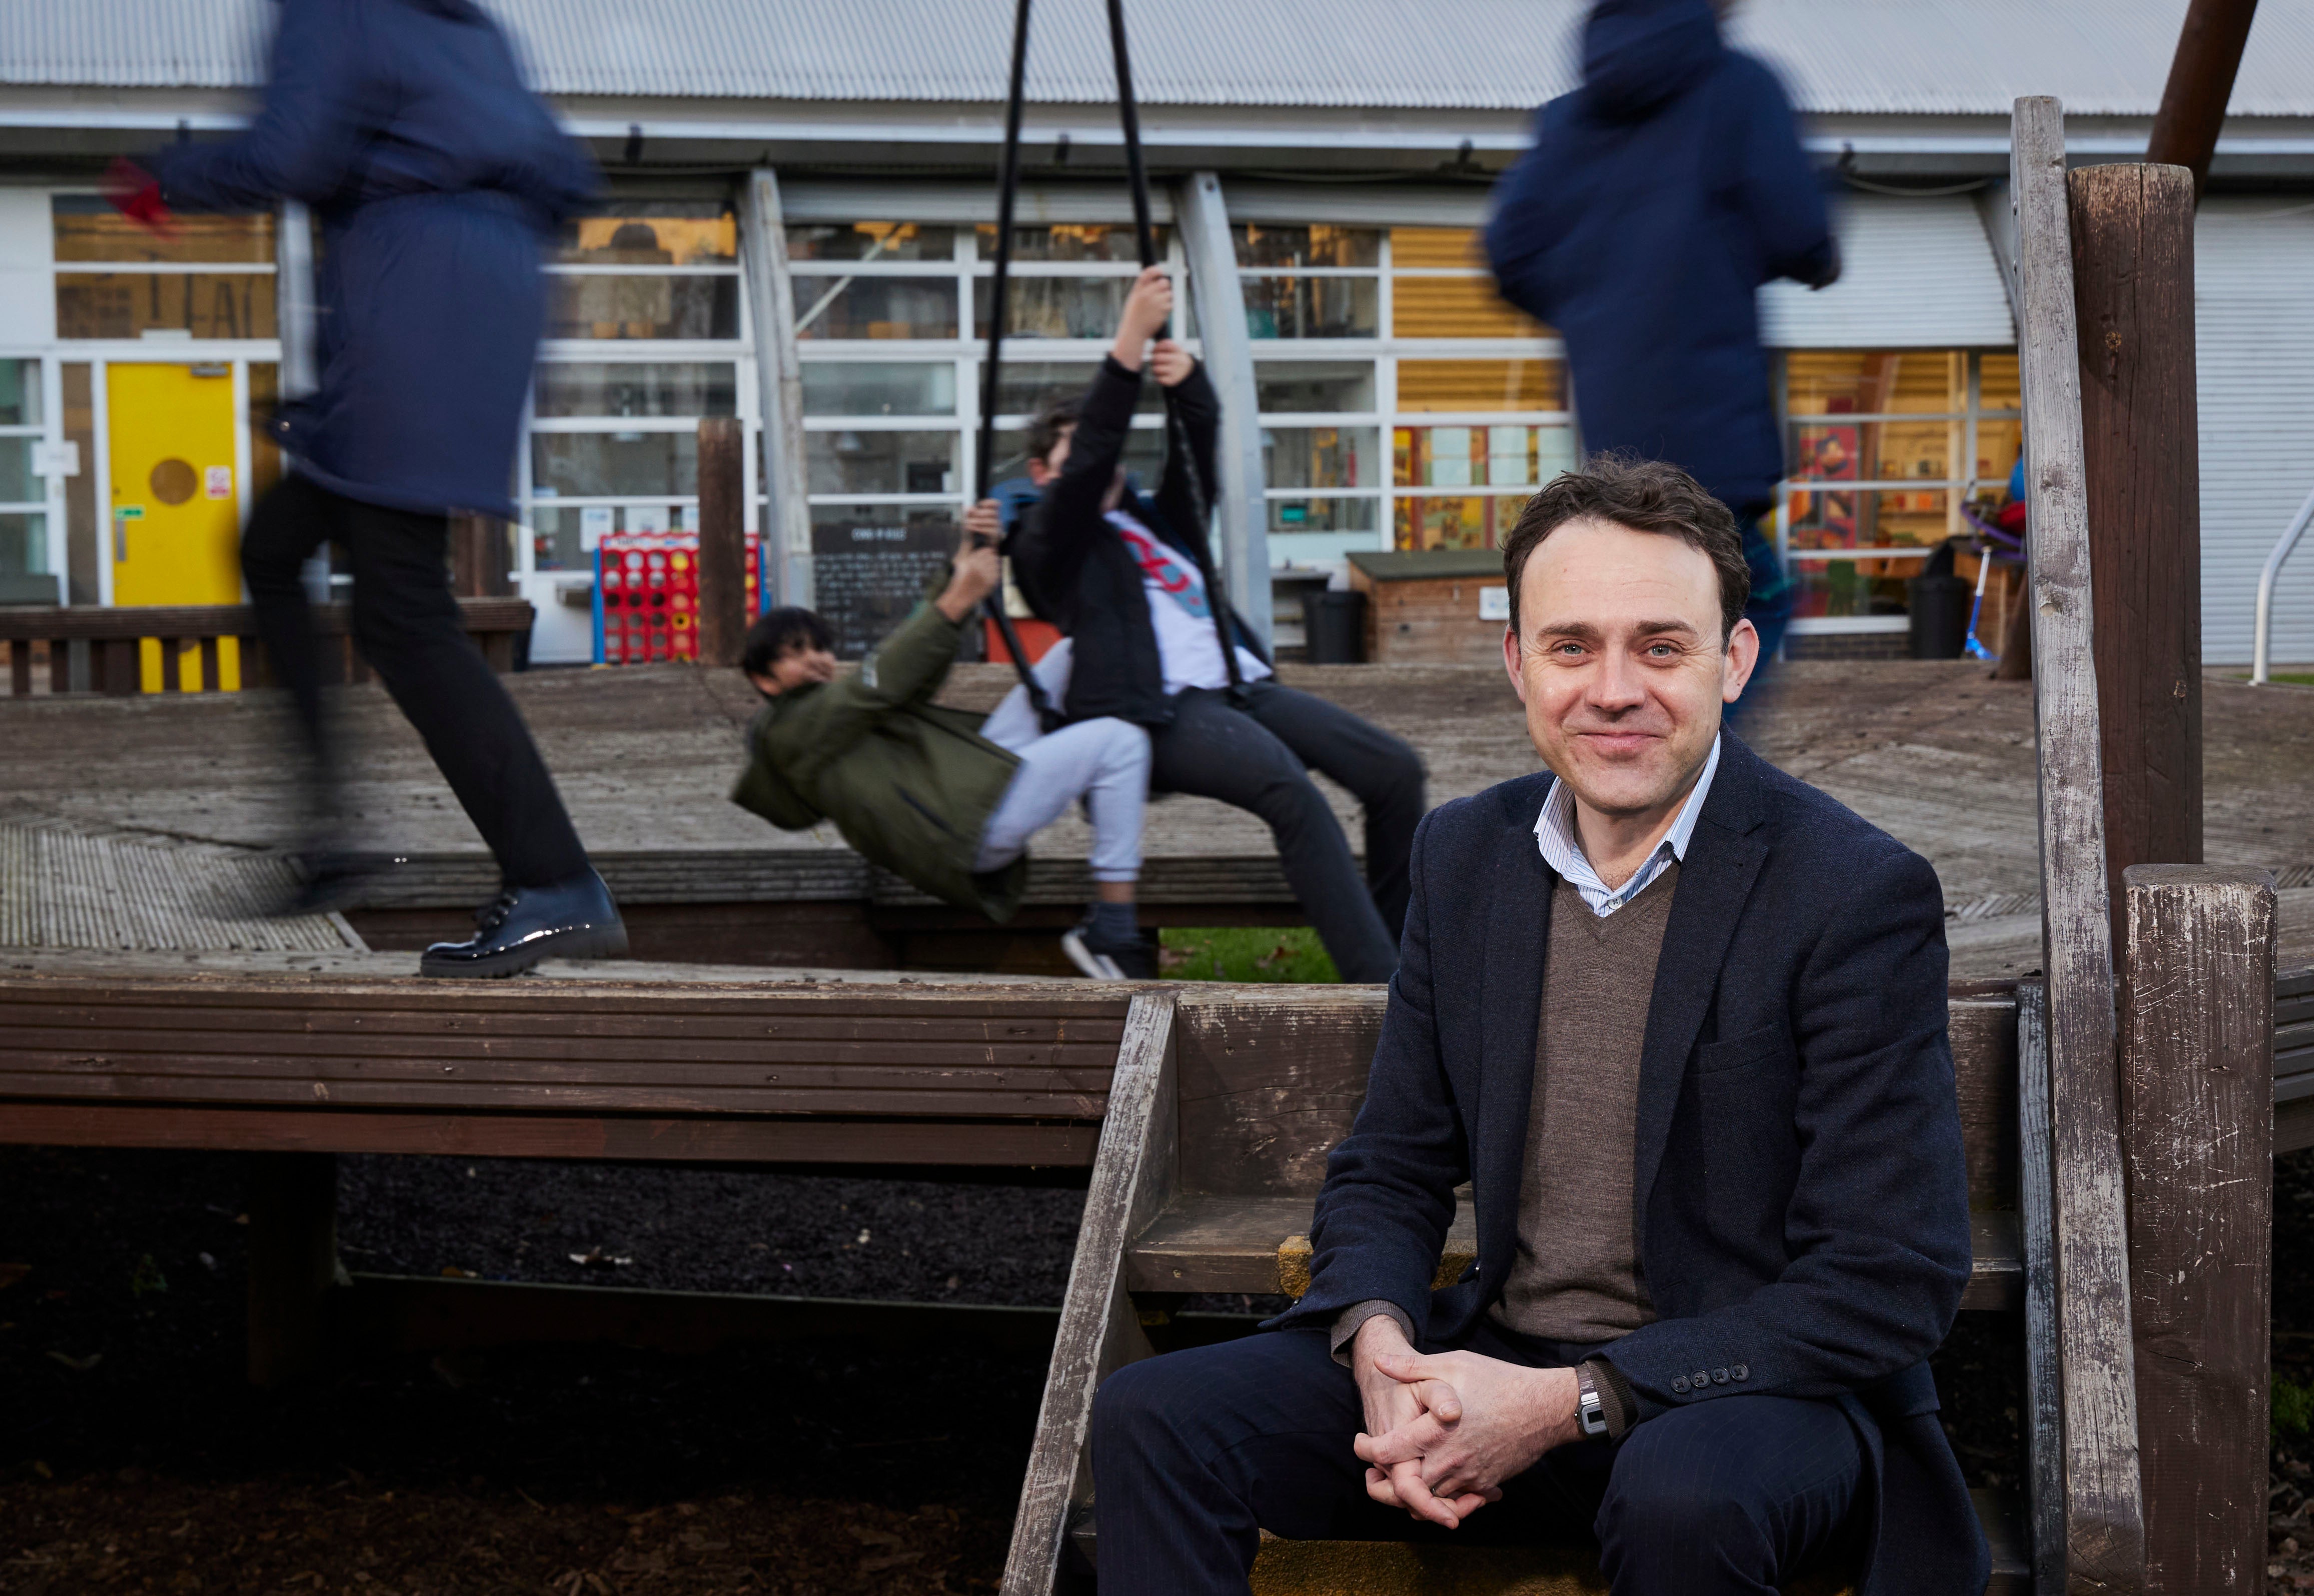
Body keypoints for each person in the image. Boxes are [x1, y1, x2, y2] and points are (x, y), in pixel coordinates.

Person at [1089, 455, 1986, 1596]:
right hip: (1498, 1364)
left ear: (1734, 660)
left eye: (1659, 646)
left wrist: (1572, 1399)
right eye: (1570, 645)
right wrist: (1374, 1339)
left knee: (1680, 1497)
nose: (1611, 687)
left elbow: (1884, 1277)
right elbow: (1392, 1159)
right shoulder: (1464, 855)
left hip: (1748, 1397)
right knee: (1154, 1415)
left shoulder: (1850, 890)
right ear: (1518, 662)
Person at [114, 0, 620, 978]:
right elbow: (564, 174)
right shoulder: (469, 26)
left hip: (410, 303)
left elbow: (291, 158)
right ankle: (332, 831)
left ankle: (556, 880)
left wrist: (160, 177)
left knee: (403, 610)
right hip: (478, 298)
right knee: (273, 545)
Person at [1009, 268, 1426, 984]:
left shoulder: (1150, 524)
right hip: (1157, 710)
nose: (1099, 461)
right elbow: (1086, 470)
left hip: (1240, 686)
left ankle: (1410, 961)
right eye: (1079, 453)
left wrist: (1188, 388)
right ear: (1041, 471)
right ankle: (1378, 988)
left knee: (1393, 771)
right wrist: (1127, 346)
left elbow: (1194, 459)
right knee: (1289, 790)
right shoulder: (1048, 540)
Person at [1484, 0, 1840, 718]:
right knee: (1746, 614)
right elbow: (1801, 230)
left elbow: (1508, 252)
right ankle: (1679, 799)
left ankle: (1645, 784)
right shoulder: (1738, 87)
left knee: (1649, 621)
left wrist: (1598, 308)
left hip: (1614, 430)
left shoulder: (1569, 120)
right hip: (1713, 425)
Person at [730, 514, 1156, 980]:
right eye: (794, 652)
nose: (815, 658)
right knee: (1121, 742)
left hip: (965, 793)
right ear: (764, 679)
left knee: (1073, 653)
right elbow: (880, 681)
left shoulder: (832, 713)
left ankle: (1119, 774)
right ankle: (1113, 932)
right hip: (964, 829)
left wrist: (957, 569)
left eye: (820, 647)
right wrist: (958, 598)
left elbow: (906, 676)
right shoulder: (786, 734)